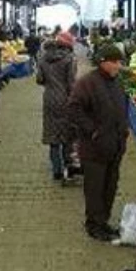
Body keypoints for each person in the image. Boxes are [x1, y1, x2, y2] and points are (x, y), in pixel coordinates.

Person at [69, 43, 128, 242]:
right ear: (103, 62)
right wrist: (93, 131)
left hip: (115, 145)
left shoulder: (117, 82)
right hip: (94, 148)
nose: (118, 66)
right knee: (95, 188)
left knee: (110, 186)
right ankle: (93, 224)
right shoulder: (87, 83)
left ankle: (104, 221)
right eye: (115, 62)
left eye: (119, 62)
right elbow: (74, 109)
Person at [36, 32, 78, 181]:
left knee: (52, 135)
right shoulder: (69, 59)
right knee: (67, 133)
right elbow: (71, 83)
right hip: (65, 98)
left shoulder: (43, 58)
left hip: (49, 99)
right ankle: (68, 165)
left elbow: (39, 79)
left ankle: (57, 171)